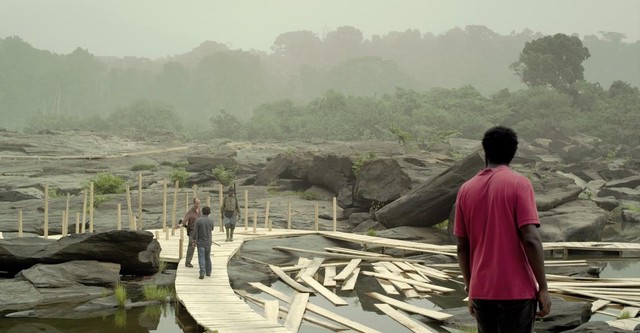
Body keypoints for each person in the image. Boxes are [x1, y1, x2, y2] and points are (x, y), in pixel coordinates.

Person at [454, 126, 551, 333]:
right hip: (516, 291)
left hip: (481, 291)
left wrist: (471, 287)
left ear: (485, 152)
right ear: (513, 153)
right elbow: (531, 239)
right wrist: (543, 288)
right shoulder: (519, 184)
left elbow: (462, 247)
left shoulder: (466, 189)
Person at [192, 206, 214, 279]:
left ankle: (202, 272)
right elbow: (212, 229)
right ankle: (208, 272)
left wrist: (194, 241)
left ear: (202, 212)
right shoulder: (211, 220)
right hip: (208, 242)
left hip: (200, 242)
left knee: (201, 257)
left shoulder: (198, 221)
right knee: (207, 257)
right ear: (209, 212)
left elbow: (195, 232)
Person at [177, 197, 200, 267]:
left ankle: (202, 262)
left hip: (200, 231)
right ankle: (188, 262)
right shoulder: (190, 211)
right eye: (196, 203)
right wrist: (180, 225)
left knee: (201, 246)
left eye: (199, 203)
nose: (197, 205)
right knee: (191, 246)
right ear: (193, 203)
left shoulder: (200, 211)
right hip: (192, 231)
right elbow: (185, 219)